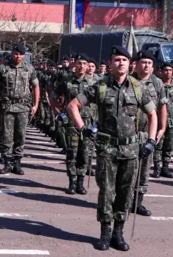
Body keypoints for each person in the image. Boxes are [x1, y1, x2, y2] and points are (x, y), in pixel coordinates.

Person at [67, 45, 157, 251]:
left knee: (125, 193)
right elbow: (73, 105)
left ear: (129, 64)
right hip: (107, 150)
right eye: (116, 60)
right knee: (107, 192)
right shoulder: (100, 87)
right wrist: (84, 128)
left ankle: (119, 232)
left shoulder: (137, 88)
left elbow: (153, 114)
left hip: (131, 150)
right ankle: (105, 232)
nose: (121, 63)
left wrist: (151, 140)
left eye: (124, 60)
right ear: (110, 64)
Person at [0, 44, 40, 175]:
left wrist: (35, 105)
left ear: (24, 55)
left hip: (23, 107)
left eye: (20, 54)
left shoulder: (29, 69)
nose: (17, 56)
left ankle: (17, 163)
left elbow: (36, 87)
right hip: (7, 106)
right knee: (7, 136)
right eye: (15, 53)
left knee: (20, 135)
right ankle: (7, 163)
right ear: (12, 54)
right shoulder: (3, 68)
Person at [51, 54, 94, 195]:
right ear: (75, 65)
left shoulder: (95, 82)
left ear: (88, 66)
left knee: (85, 152)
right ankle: (72, 181)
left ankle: (81, 182)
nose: (82, 66)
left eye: (85, 63)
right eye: (79, 63)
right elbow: (53, 97)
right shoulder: (67, 81)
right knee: (72, 152)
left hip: (88, 123)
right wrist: (59, 113)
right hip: (71, 123)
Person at [131, 50, 167, 216]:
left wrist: (162, 128)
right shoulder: (129, 80)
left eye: (149, 63)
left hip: (148, 132)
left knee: (144, 168)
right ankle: (124, 200)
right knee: (128, 167)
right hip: (129, 132)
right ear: (137, 64)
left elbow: (162, 107)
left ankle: (138, 202)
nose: (146, 65)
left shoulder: (158, 83)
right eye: (143, 62)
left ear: (153, 67)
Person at [152, 62, 173, 179]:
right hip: (159, 120)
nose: (168, 72)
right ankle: (157, 168)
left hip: (172, 120)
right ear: (161, 71)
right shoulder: (157, 84)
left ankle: (165, 168)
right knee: (158, 144)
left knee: (169, 145)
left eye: (170, 70)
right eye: (166, 70)